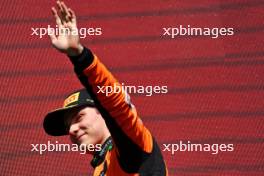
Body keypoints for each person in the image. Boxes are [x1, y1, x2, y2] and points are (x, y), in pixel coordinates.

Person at [43, 1, 168, 175]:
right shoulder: (101, 166)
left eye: (79, 117)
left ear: (104, 112)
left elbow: (114, 103)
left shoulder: (132, 145)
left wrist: (79, 55)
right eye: (67, 125)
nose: (71, 129)